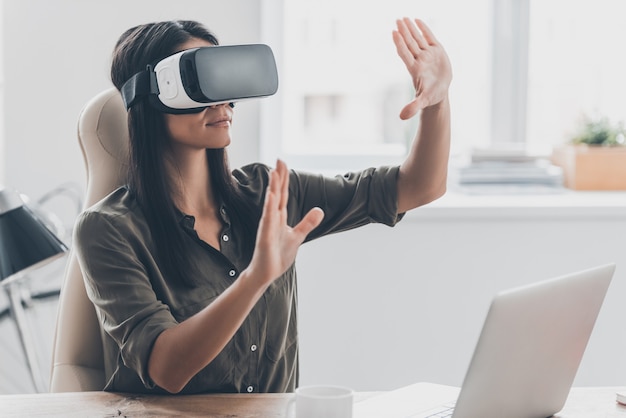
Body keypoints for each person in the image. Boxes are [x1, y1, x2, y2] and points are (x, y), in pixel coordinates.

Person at [74, 17, 452, 394]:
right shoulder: (107, 229)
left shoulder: (268, 193)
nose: (222, 100)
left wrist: (437, 101)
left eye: (224, 79)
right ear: (152, 94)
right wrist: (256, 277)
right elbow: (166, 368)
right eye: (200, 81)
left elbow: (419, 187)